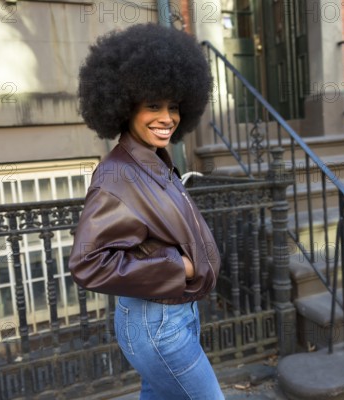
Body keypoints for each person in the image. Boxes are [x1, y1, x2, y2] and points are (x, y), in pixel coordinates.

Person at [68, 24, 224, 399]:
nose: (167, 117)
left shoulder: (152, 161)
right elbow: (88, 263)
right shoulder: (117, 176)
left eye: (173, 107)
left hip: (175, 316)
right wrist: (180, 268)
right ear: (124, 106)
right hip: (158, 326)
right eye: (153, 105)